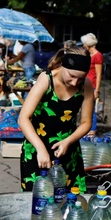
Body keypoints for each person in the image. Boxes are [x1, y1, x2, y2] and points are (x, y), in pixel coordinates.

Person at [18, 46, 94, 192]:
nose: (74, 82)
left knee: (71, 203)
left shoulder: (86, 85)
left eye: (80, 78)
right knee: (38, 201)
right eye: (72, 76)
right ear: (63, 65)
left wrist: (68, 141)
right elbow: (23, 118)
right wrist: (40, 149)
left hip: (68, 151)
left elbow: (86, 122)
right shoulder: (46, 79)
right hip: (37, 149)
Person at [81, 33, 103, 136]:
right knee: (84, 107)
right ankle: (85, 128)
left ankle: (92, 130)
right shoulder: (88, 54)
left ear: (88, 44)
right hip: (85, 84)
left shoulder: (98, 56)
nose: (83, 45)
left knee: (90, 108)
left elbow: (99, 74)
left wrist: (97, 90)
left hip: (92, 85)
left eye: (84, 43)